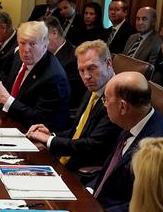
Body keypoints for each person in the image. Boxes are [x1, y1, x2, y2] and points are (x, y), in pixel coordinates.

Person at [88, 71, 163, 212]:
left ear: (123, 107)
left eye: (106, 99)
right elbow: (109, 169)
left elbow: (146, 205)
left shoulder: (155, 145)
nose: (104, 105)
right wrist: (88, 193)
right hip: (99, 211)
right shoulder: (133, 123)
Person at [26, 40, 122, 173]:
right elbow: (78, 131)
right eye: (81, 70)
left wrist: (50, 141)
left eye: (92, 68)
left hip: (83, 171)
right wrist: (51, 134)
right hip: (67, 160)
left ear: (109, 63)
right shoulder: (94, 89)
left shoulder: (116, 98)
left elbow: (92, 146)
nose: (86, 76)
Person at [0, 21, 71, 131]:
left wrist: (7, 100)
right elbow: (9, 87)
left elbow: (40, 119)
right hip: (11, 122)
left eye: (32, 44)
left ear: (45, 45)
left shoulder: (54, 77)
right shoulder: (19, 57)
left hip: (35, 135)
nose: (26, 50)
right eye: (22, 43)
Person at [42, 16, 81, 110]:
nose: (39, 41)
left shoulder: (73, 59)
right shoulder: (44, 53)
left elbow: (63, 96)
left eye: (42, 37)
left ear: (55, 33)